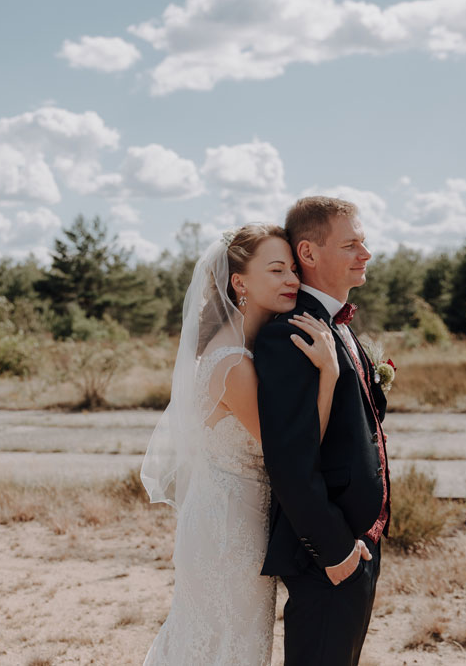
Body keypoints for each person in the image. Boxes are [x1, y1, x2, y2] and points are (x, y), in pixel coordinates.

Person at [140, 223, 340, 665]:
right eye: (276, 270)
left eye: (292, 269)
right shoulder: (232, 364)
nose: (292, 279)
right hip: (230, 532)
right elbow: (295, 452)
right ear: (240, 282)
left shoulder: (241, 349)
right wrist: (329, 375)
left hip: (231, 519)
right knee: (229, 646)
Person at [254, 196, 390, 666]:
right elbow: (290, 461)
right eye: (351, 243)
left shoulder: (338, 326)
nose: (365, 253)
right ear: (309, 253)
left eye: (364, 242)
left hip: (362, 544)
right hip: (330, 553)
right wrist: (336, 553)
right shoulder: (288, 336)